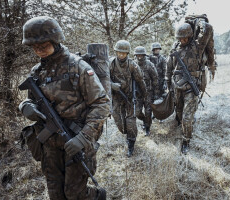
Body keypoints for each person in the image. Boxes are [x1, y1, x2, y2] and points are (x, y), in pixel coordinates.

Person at [18, 16, 110, 200]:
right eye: (34, 47)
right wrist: (25, 106)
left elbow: (102, 104)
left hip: (76, 141)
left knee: (75, 194)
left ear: (55, 40)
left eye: (42, 46)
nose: (39, 51)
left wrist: (83, 138)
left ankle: (97, 195)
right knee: (56, 194)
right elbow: (32, 101)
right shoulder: (37, 72)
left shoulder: (78, 67)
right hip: (49, 145)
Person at [166, 22, 212, 155]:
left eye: (185, 38)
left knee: (187, 117)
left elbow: (207, 30)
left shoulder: (197, 46)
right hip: (177, 86)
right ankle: (185, 127)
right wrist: (168, 82)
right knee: (179, 113)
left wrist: (200, 23)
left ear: (191, 37)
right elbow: (169, 67)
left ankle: (186, 140)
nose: (182, 40)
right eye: (180, 38)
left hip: (191, 88)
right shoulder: (175, 48)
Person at [110, 40, 147, 157]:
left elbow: (141, 81)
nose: (121, 55)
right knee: (118, 120)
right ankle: (127, 133)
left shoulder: (132, 65)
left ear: (127, 53)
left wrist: (145, 96)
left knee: (130, 122)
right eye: (119, 53)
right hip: (116, 97)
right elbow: (103, 80)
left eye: (124, 53)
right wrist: (112, 85)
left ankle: (131, 143)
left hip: (130, 97)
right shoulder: (111, 63)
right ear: (116, 52)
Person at [134, 46, 159, 136]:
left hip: (149, 92)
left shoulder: (149, 65)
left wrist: (156, 94)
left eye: (141, 55)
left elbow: (155, 79)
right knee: (137, 112)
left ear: (144, 55)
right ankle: (144, 120)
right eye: (138, 55)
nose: (140, 57)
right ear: (135, 55)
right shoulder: (133, 64)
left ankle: (147, 127)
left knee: (148, 112)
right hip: (138, 93)